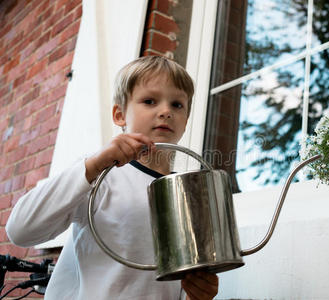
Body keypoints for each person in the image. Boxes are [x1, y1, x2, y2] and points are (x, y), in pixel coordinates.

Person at [6, 56, 219, 300]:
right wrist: (93, 165)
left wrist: (197, 295)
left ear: (186, 121)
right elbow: (20, 231)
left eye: (177, 105)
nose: (165, 112)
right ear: (119, 115)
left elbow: (178, 284)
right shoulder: (98, 175)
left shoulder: (187, 196)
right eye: (149, 101)